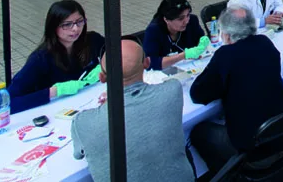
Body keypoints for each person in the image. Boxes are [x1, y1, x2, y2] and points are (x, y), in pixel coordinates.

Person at [189, 6, 283, 179]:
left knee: (200, 133)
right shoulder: (265, 43)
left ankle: (229, 176)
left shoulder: (226, 54)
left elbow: (198, 94)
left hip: (257, 150)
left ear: (227, 35)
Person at [72, 38, 194, 182]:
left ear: (102, 77)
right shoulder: (172, 90)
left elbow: (78, 155)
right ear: (147, 63)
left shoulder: (82, 123)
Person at [8, 0, 104, 113]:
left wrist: (104, 67)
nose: (75, 29)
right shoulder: (40, 59)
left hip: (91, 103)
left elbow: (120, 52)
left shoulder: (92, 40)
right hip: (55, 112)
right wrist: (55, 91)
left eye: (80, 22)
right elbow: (8, 103)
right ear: (53, 27)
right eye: (67, 24)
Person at [142, 0, 210, 71]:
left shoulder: (192, 21)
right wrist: (184, 55)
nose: (186, 21)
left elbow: (200, 39)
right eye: (181, 18)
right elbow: (150, 63)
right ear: (166, 19)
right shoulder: (154, 31)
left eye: (188, 15)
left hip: (191, 68)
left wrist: (202, 45)